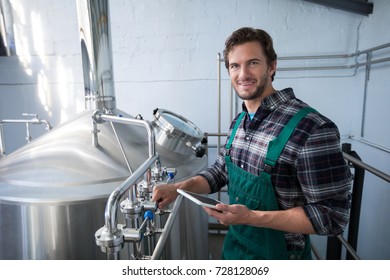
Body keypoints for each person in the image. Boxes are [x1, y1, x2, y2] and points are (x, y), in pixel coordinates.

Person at [152, 27, 352, 260]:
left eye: (253, 63)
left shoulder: (311, 128)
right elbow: (221, 171)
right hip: (235, 251)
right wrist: (177, 188)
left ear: (272, 66)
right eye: (235, 66)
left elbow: (332, 216)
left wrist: (250, 217)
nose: (243, 74)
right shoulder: (239, 122)